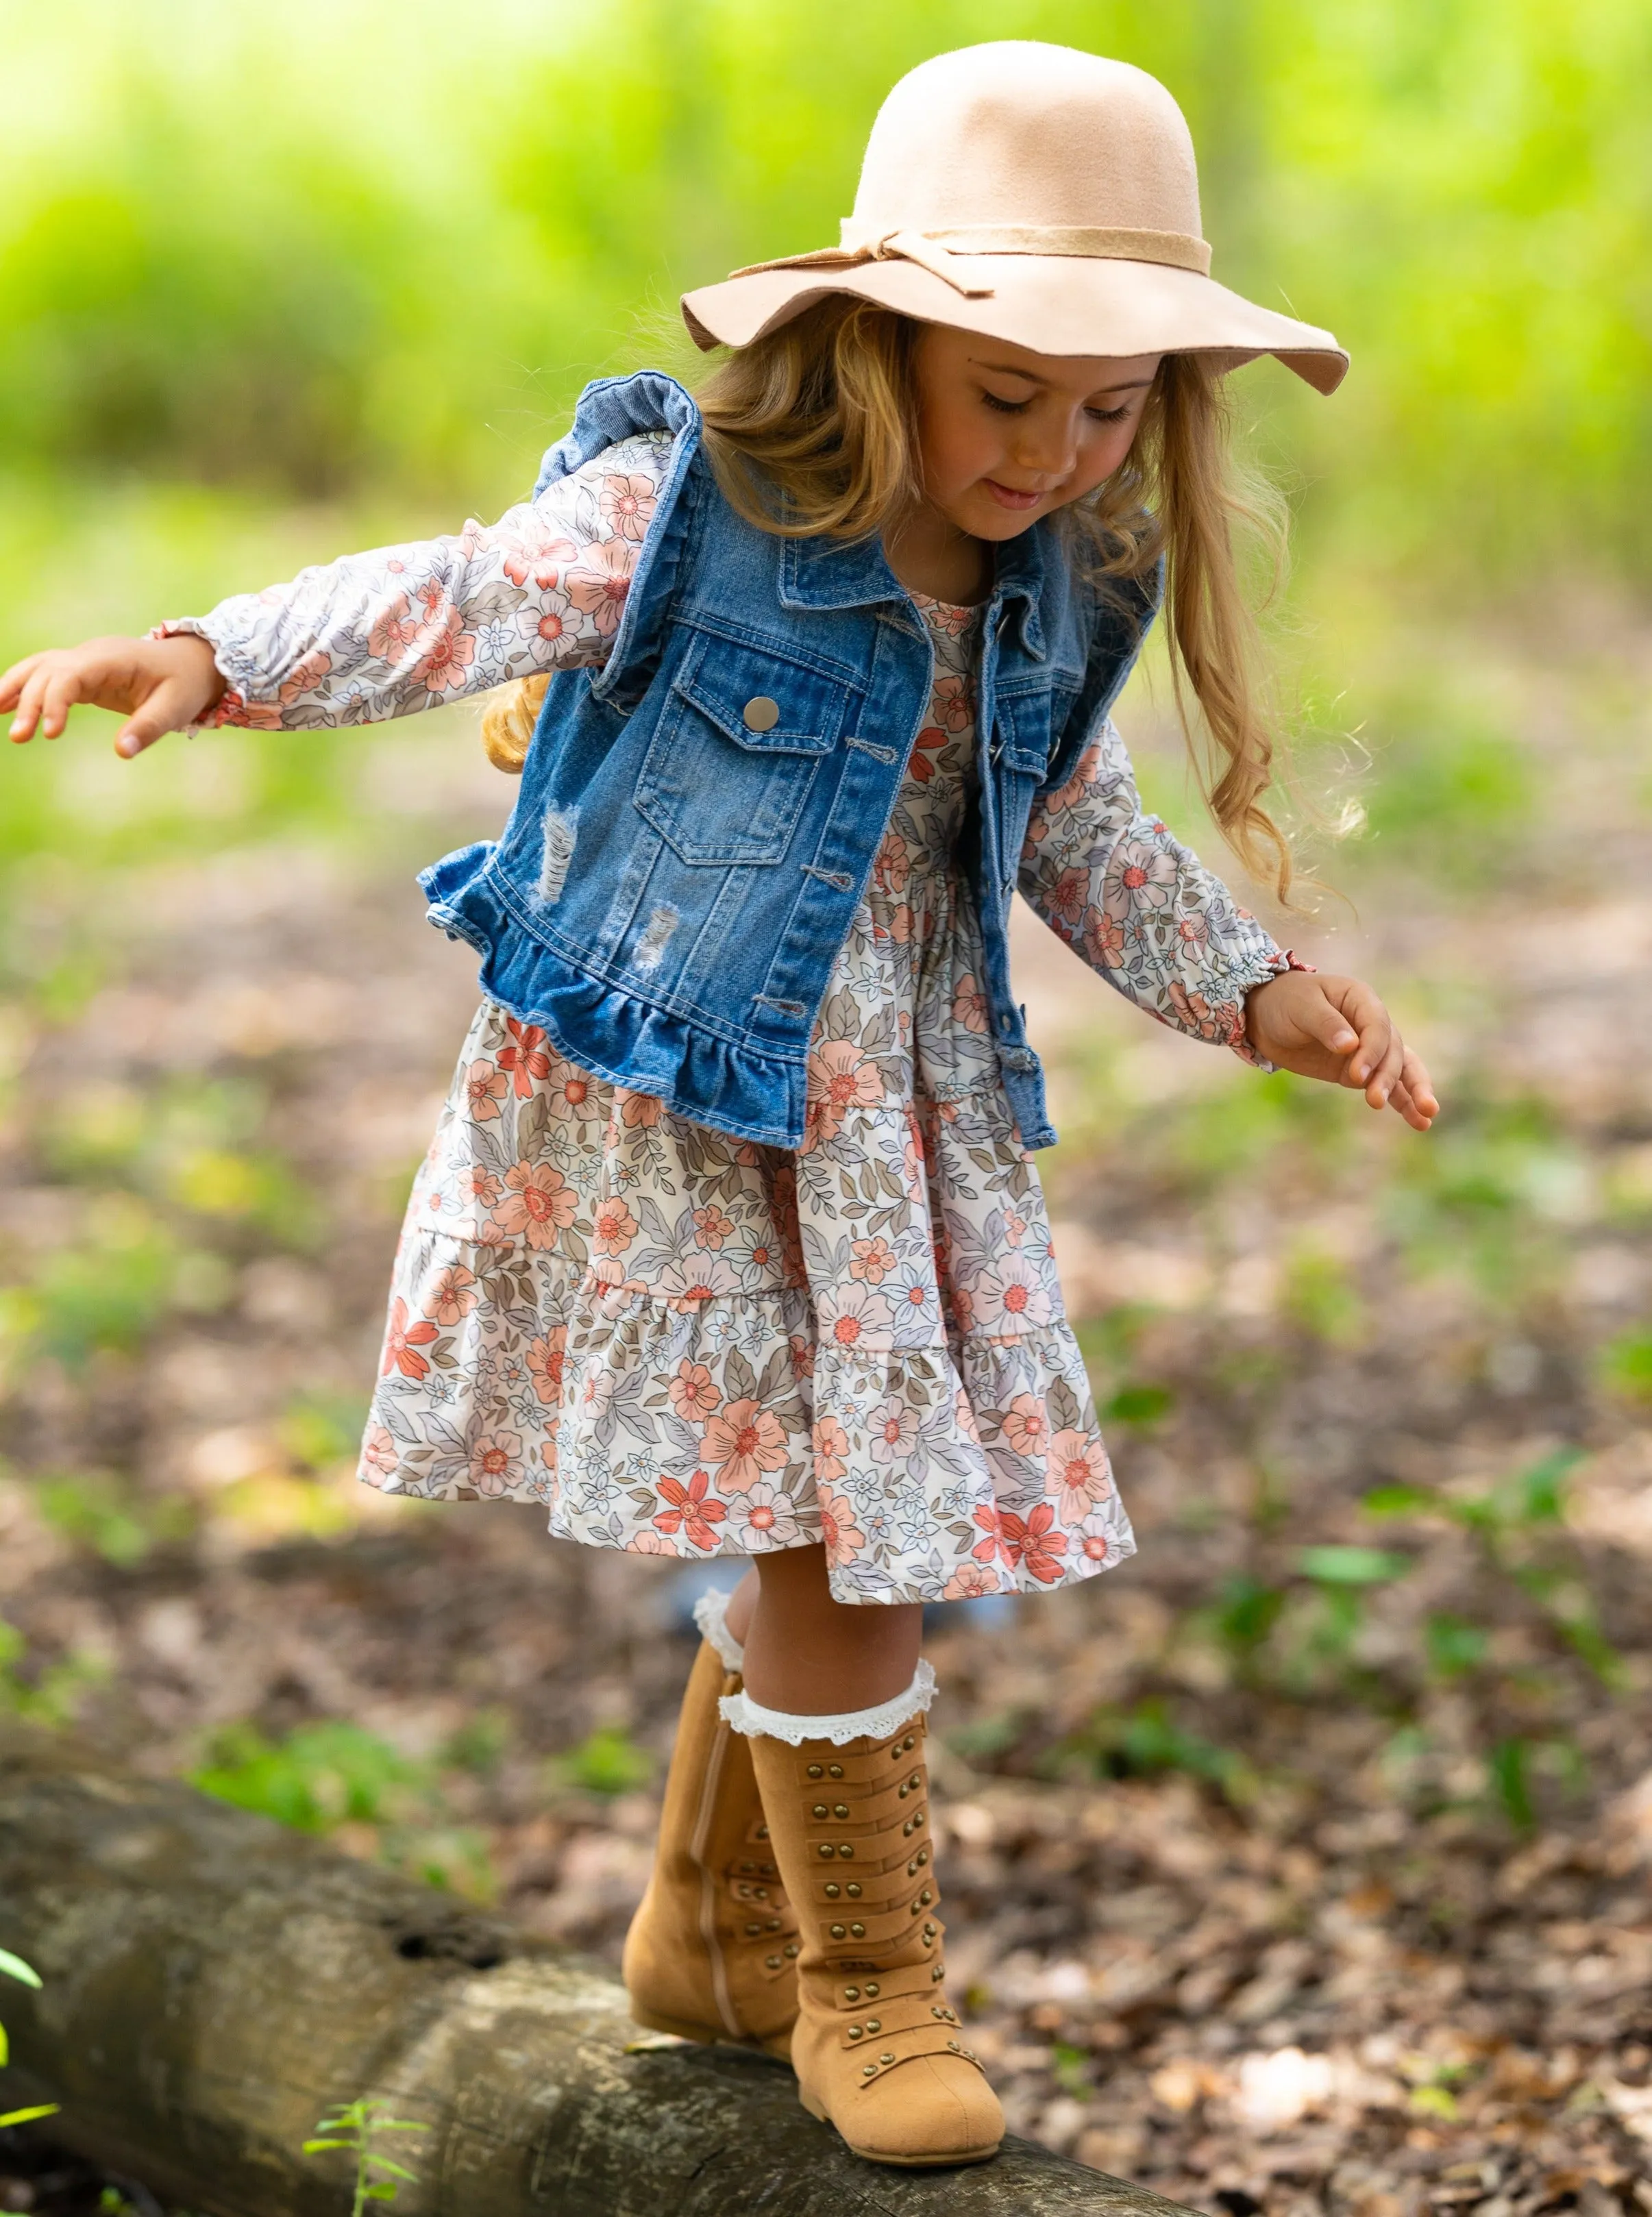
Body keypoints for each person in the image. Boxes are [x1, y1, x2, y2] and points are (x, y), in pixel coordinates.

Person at [1, 43, 1438, 2170]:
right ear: (876, 347)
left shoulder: (1064, 578)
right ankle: (867, 1978)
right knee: (857, 1522)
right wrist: (222, 650)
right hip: (699, 1091)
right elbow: (467, 593)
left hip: (901, 1121)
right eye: (1007, 394)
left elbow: (1076, 828)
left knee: (852, 1513)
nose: (1054, 451)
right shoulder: (690, 507)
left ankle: (707, 1918)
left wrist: (1257, 989)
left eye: (1110, 406)